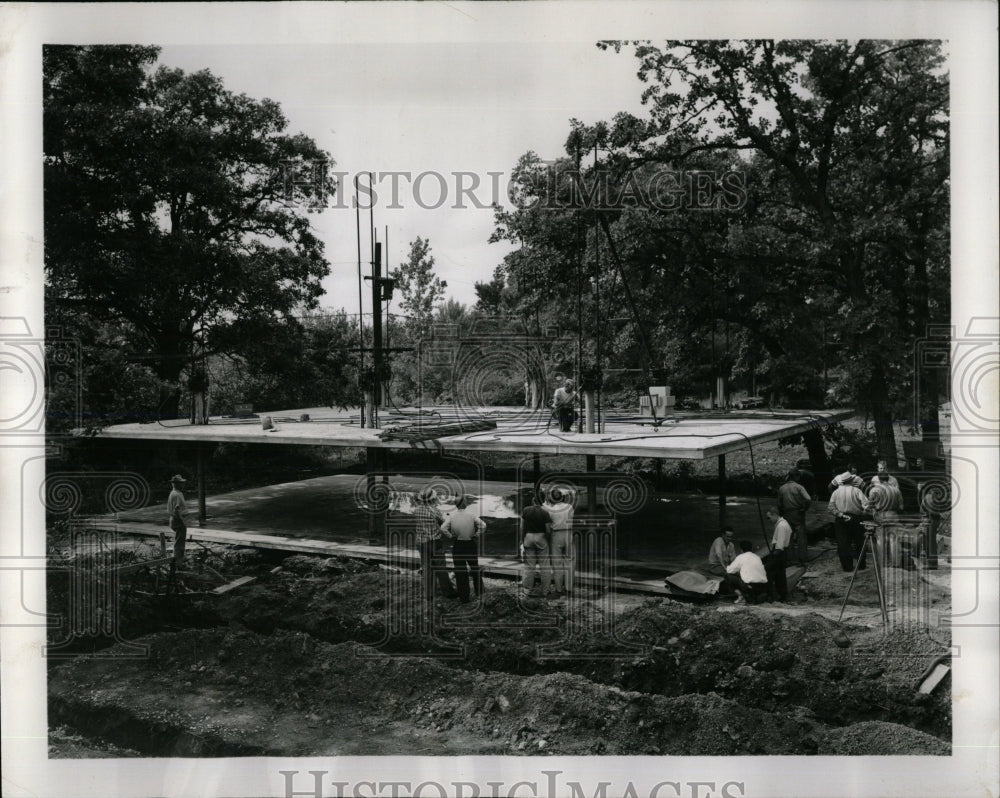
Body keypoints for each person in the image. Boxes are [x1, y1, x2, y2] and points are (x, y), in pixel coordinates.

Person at [413, 486, 458, 603]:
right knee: (440, 567)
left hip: (421, 543)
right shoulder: (435, 510)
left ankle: (429, 594)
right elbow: (444, 524)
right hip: (434, 542)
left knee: (427, 568)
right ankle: (448, 592)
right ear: (432, 499)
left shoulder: (416, 510)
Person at [442, 495, 486, 603]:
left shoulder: (451, 516)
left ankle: (464, 597)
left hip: (458, 545)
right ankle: (480, 593)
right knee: (475, 568)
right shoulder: (471, 515)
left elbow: (443, 528)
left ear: (457, 505)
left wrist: (451, 536)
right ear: (464, 504)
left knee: (460, 571)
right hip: (470, 544)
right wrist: (477, 534)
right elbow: (483, 525)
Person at [828, 477, 871, 572]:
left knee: (843, 543)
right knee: (859, 542)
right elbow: (867, 506)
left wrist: (840, 514)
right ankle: (861, 565)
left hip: (841, 519)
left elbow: (830, 507)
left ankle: (847, 567)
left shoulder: (836, 492)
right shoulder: (857, 491)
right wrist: (863, 513)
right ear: (851, 481)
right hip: (856, 518)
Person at [776, 469, 812, 565]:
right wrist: (804, 508)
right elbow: (808, 499)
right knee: (801, 536)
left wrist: (781, 514)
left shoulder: (782, 488)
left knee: (788, 536)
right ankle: (802, 558)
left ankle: (790, 559)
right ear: (796, 477)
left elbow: (779, 504)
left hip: (786, 513)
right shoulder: (799, 487)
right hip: (798, 513)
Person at [543, 487, 575, 595]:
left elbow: (546, 516)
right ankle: (569, 587)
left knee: (557, 562)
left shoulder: (549, 509)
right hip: (568, 532)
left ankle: (558, 588)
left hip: (556, 533)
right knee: (569, 560)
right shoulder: (569, 507)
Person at [520, 491, 552, 597]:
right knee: (545, 565)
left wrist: (521, 539)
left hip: (528, 537)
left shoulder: (525, 510)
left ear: (533, 499)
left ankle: (527, 589)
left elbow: (521, 527)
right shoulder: (545, 512)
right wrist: (547, 539)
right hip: (541, 537)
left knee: (529, 565)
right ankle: (545, 590)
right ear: (543, 501)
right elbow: (548, 529)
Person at [725, 539, 769, 605]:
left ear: (741, 550)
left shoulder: (741, 557)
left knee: (727, 576)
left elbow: (729, 570)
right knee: (746, 576)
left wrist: (728, 565)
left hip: (750, 586)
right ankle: (755, 597)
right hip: (762, 586)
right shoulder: (757, 557)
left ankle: (741, 597)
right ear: (751, 549)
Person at [765, 508, 793, 601]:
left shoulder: (781, 526)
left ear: (774, 514)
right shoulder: (784, 524)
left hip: (779, 552)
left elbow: (780, 545)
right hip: (782, 552)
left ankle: (769, 595)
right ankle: (782, 595)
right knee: (780, 575)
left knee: (769, 573)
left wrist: (773, 557)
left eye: (769, 518)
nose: (769, 520)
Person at [167, 474, 189, 564]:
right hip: (177, 520)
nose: (183, 485)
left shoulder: (176, 493)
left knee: (180, 539)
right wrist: (182, 521)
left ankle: (180, 557)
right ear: (176, 484)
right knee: (179, 541)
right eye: (181, 483)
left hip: (176, 519)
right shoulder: (176, 494)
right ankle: (178, 560)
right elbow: (176, 511)